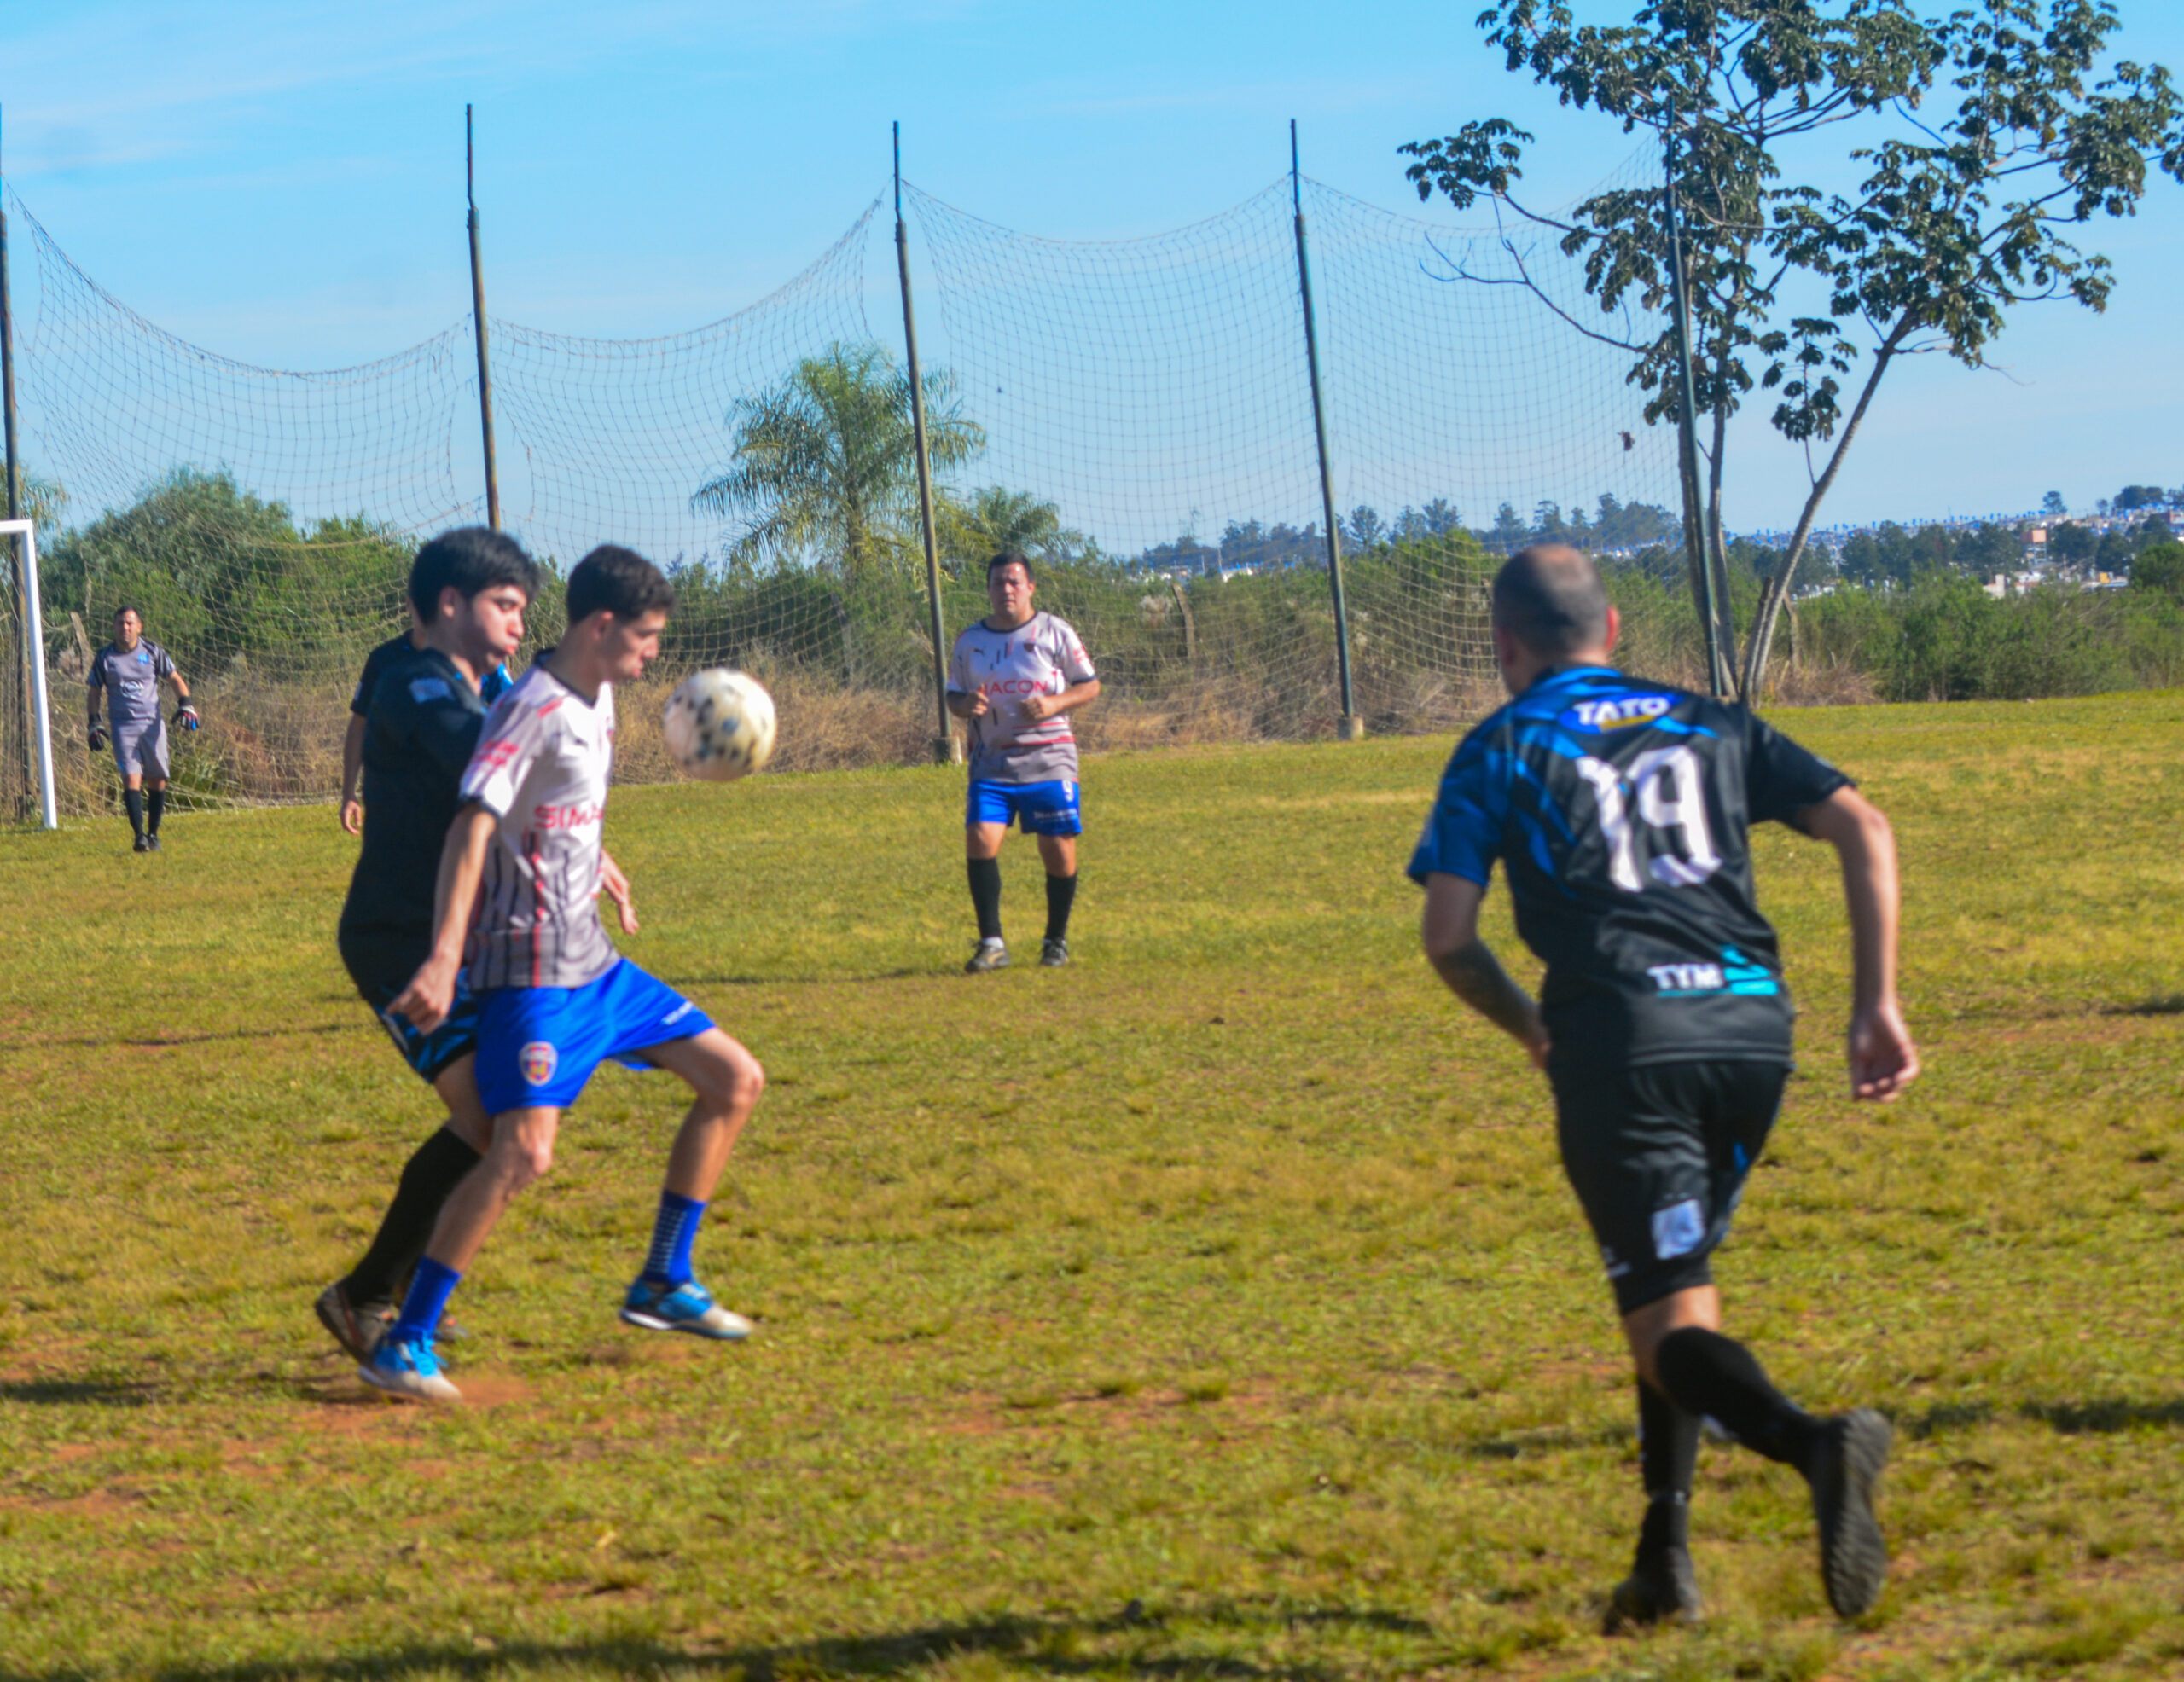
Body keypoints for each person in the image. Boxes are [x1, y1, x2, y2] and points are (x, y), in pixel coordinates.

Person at [1409, 544, 1919, 1627]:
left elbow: (1449, 939)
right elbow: (1864, 827)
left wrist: (1529, 1026)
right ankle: (1662, 1564)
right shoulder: (1708, 718)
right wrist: (1875, 1003)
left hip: (1625, 1044)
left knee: (1664, 1317)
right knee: (1676, 1290)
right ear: (1612, 629)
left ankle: (1815, 1444)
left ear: (1503, 643)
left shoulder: (1501, 744)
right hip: (1752, 1034)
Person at [375, 544, 766, 1403]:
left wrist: (596, 862)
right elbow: (472, 825)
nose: (654, 652)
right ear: (601, 626)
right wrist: (444, 956)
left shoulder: (602, 693)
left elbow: (553, 809)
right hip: (531, 974)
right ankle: (405, 1339)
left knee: (734, 1080)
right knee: (523, 1153)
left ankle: (663, 1278)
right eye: (646, 636)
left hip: (597, 965)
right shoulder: (530, 709)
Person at [316, 526, 558, 1362]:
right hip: (398, 943)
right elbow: (478, 753)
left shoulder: (483, 687)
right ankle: (367, 1296)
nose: (519, 623)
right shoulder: (411, 684)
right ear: (450, 604)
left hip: (465, 941)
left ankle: (400, 1291)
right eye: (506, 605)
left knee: (502, 1121)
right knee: (489, 1118)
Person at [945, 552, 1101, 972]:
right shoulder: (970, 641)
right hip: (992, 762)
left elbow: (1089, 685)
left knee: (1058, 849)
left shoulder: (1054, 632)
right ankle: (992, 944)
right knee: (980, 838)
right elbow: (952, 695)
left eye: (1014, 582)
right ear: (988, 590)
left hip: (1049, 758)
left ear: (1031, 587)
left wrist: (1055, 703)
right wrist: (965, 704)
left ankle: (1055, 941)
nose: (1006, 589)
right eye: (998, 582)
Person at [340, 611, 514, 837]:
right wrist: (348, 792)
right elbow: (360, 722)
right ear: (410, 603)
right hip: (400, 805)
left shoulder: (480, 656)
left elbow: (514, 715)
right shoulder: (384, 660)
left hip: (464, 801)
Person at [85, 606, 196, 852]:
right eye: (120, 623)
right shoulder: (105, 658)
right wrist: (94, 722)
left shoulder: (153, 651)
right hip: (123, 727)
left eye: (129, 623)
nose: (125, 627)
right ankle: (139, 836)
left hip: (152, 726)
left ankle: (153, 834)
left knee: (157, 778)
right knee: (131, 777)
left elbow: (174, 678)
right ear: (114, 627)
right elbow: (94, 692)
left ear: (139, 627)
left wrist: (186, 704)